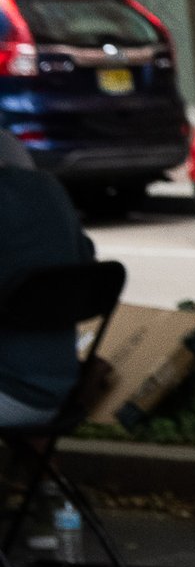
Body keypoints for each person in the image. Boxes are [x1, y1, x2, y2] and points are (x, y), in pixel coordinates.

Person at [0, 130, 95, 428]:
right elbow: (85, 259)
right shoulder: (50, 188)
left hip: (11, 394)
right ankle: (41, 471)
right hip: (62, 390)